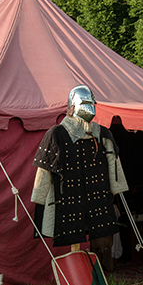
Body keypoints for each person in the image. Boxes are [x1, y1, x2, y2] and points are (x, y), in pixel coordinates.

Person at [31, 85, 128, 269]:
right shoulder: (57, 134)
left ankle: (100, 281)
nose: (89, 108)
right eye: (85, 103)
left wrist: (117, 187)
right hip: (68, 201)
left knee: (101, 239)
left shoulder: (102, 133)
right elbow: (43, 172)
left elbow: (113, 164)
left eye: (91, 103)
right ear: (72, 107)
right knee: (72, 238)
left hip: (97, 200)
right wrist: (40, 199)